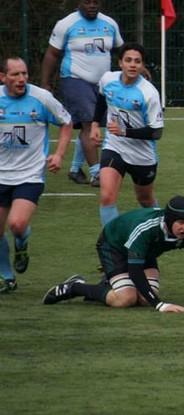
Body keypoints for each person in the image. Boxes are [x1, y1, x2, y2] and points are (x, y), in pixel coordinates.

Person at [42, 196, 184, 312]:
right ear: (168, 220)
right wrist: (160, 306)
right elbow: (135, 271)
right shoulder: (146, 229)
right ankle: (75, 287)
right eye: (181, 223)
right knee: (126, 299)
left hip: (144, 251)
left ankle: (108, 283)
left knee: (143, 299)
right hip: (113, 245)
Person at [0, 57, 73, 293]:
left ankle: (21, 242)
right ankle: (7, 277)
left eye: (24, 74)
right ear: (3, 78)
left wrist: (59, 155)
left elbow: (66, 121)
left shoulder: (41, 98)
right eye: (15, 75)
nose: (21, 79)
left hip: (29, 174)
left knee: (17, 224)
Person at [40, 0, 124, 187]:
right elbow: (52, 54)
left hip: (103, 83)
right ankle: (97, 173)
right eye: (87, 2)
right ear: (79, 2)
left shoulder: (109, 23)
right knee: (88, 124)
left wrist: (137, 68)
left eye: (96, 2)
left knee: (94, 126)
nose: (92, 5)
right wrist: (45, 83)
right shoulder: (66, 24)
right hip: (75, 79)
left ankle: (76, 168)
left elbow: (121, 50)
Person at [90, 43, 164, 226]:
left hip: (142, 156)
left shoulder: (149, 93)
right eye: (128, 60)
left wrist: (125, 131)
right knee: (107, 196)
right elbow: (101, 99)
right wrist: (94, 124)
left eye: (137, 62)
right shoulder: (108, 79)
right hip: (114, 147)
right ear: (120, 63)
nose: (132, 65)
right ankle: (112, 244)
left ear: (142, 65)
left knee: (145, 200)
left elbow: (156, 132)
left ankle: (163, 226)